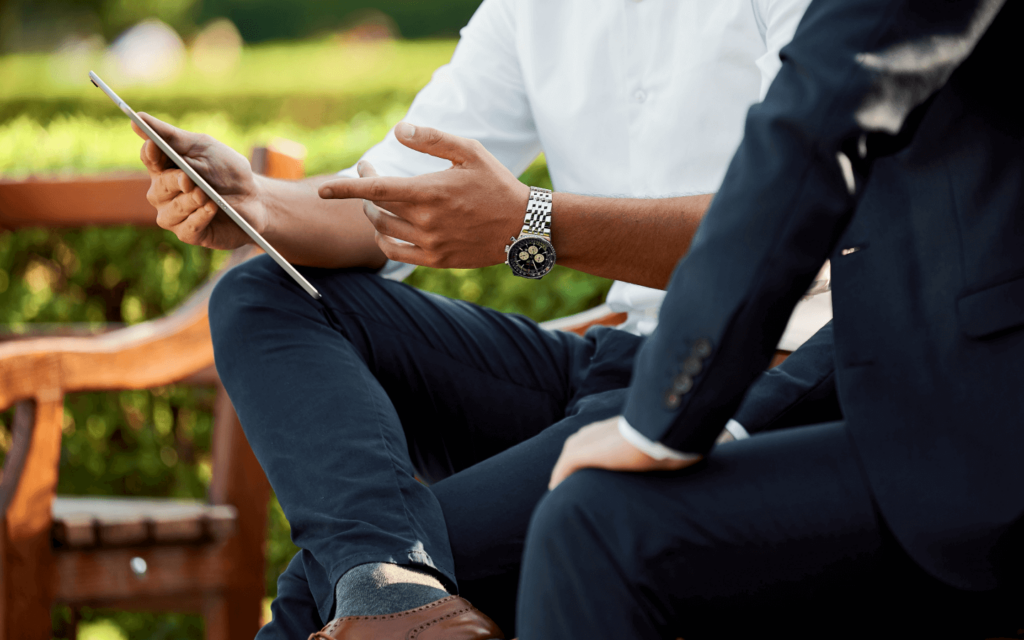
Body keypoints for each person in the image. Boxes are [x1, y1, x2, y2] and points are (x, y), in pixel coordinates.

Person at [135, 0, 823, 637]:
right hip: (616, 358)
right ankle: (391, 584)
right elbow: (391, 198)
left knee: (316, 596)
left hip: (760, 374)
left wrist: (537, 223)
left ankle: (389, 591)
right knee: (262, 294)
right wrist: (256, 201)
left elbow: (799, 217)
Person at [506, 0, 1024, 638]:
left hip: (982, 431)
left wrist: (662, 419)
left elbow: (814, 122)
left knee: (593, 524)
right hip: (905, 397)